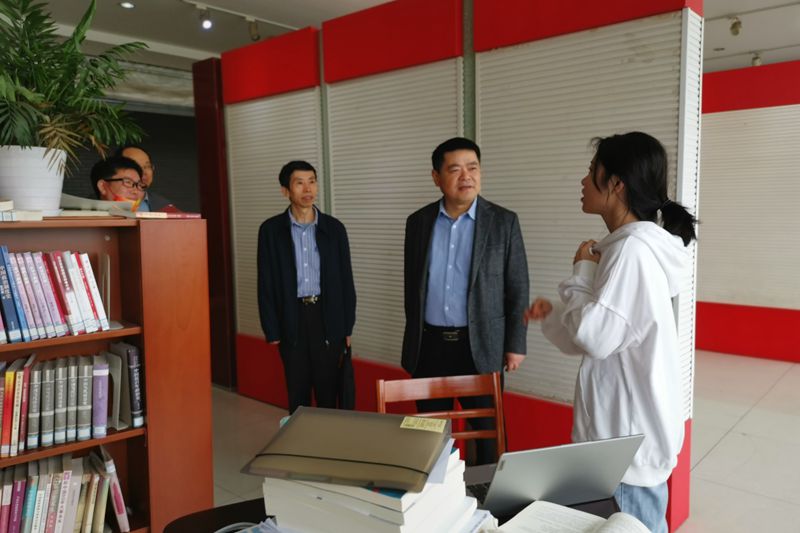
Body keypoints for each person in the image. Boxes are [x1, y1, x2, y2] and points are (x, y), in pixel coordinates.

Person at [525, 132, 697, 532]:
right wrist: (554, 315)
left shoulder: (631, 252)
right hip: (616, 444)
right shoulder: (624, 248)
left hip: (624, 454)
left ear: (616, 183)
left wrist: (581, 273)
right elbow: (599, 337)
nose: (583, 180)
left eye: (591, 171)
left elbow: (596, 337)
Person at [402, 137, 529, 465]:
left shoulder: (503, 222)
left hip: (481, 345)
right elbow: (413, 287)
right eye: (455, 169)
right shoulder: (418, 222)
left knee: (488, 435)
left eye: (472, 167)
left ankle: (487, 493)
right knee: (427, 434)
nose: (466, 176)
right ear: (436, 177)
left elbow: (517, 286)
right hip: (429, 346)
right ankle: (434, 491)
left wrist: (515, 344)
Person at [257, 160, 356, 414]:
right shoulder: (271, 231)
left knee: (328, 393)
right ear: (285, 191)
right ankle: (300, 439)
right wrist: (272, 329)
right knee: (298, 394)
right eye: (299, 183)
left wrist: (347, 326)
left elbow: (346, 280)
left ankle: (328, 439)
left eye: (312, 181)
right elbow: (266, 282)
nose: (307, 188)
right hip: (292, 318)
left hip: (327, 317)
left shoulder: (334, 229)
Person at [115, 145, 173, 211]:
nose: (143, 172)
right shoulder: (107, 201)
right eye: (135, 166)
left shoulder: (164, 206)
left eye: (147, 166)